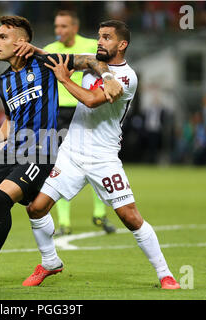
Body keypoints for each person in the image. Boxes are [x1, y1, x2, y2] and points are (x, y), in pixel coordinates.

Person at [0, 15, 123, 290]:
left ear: (21, 43)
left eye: (2, 37)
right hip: (13, 149)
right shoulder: (4, 80)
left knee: (1, 198)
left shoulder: (44, 63)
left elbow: (91, 60)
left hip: (42, 150)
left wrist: (109, 77)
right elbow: (11, 120)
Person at [20, 20, 180, 289]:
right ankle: (49, 262)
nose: (100, 41)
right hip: (71, 152)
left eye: (106, 37)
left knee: (130, 217)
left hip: (103, 157)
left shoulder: (127, 77)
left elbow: (92, 101)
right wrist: (30, 48)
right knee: (36, 208)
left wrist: (64, 79)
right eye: (99, 36)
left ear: (122, 44)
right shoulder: (92, 62)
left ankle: (165, 274)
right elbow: (56, 58)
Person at [43, 10, 116, 236]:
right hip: (59, 113)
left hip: (86, 110)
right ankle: (64, 222)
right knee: (58, 166)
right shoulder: (49, 50)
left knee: (97, 161)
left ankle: (99, 214)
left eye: (63, 26)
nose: (59, 31)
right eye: (56, 26)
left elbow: (106, 70)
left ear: (75, 27)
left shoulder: (92, 46)